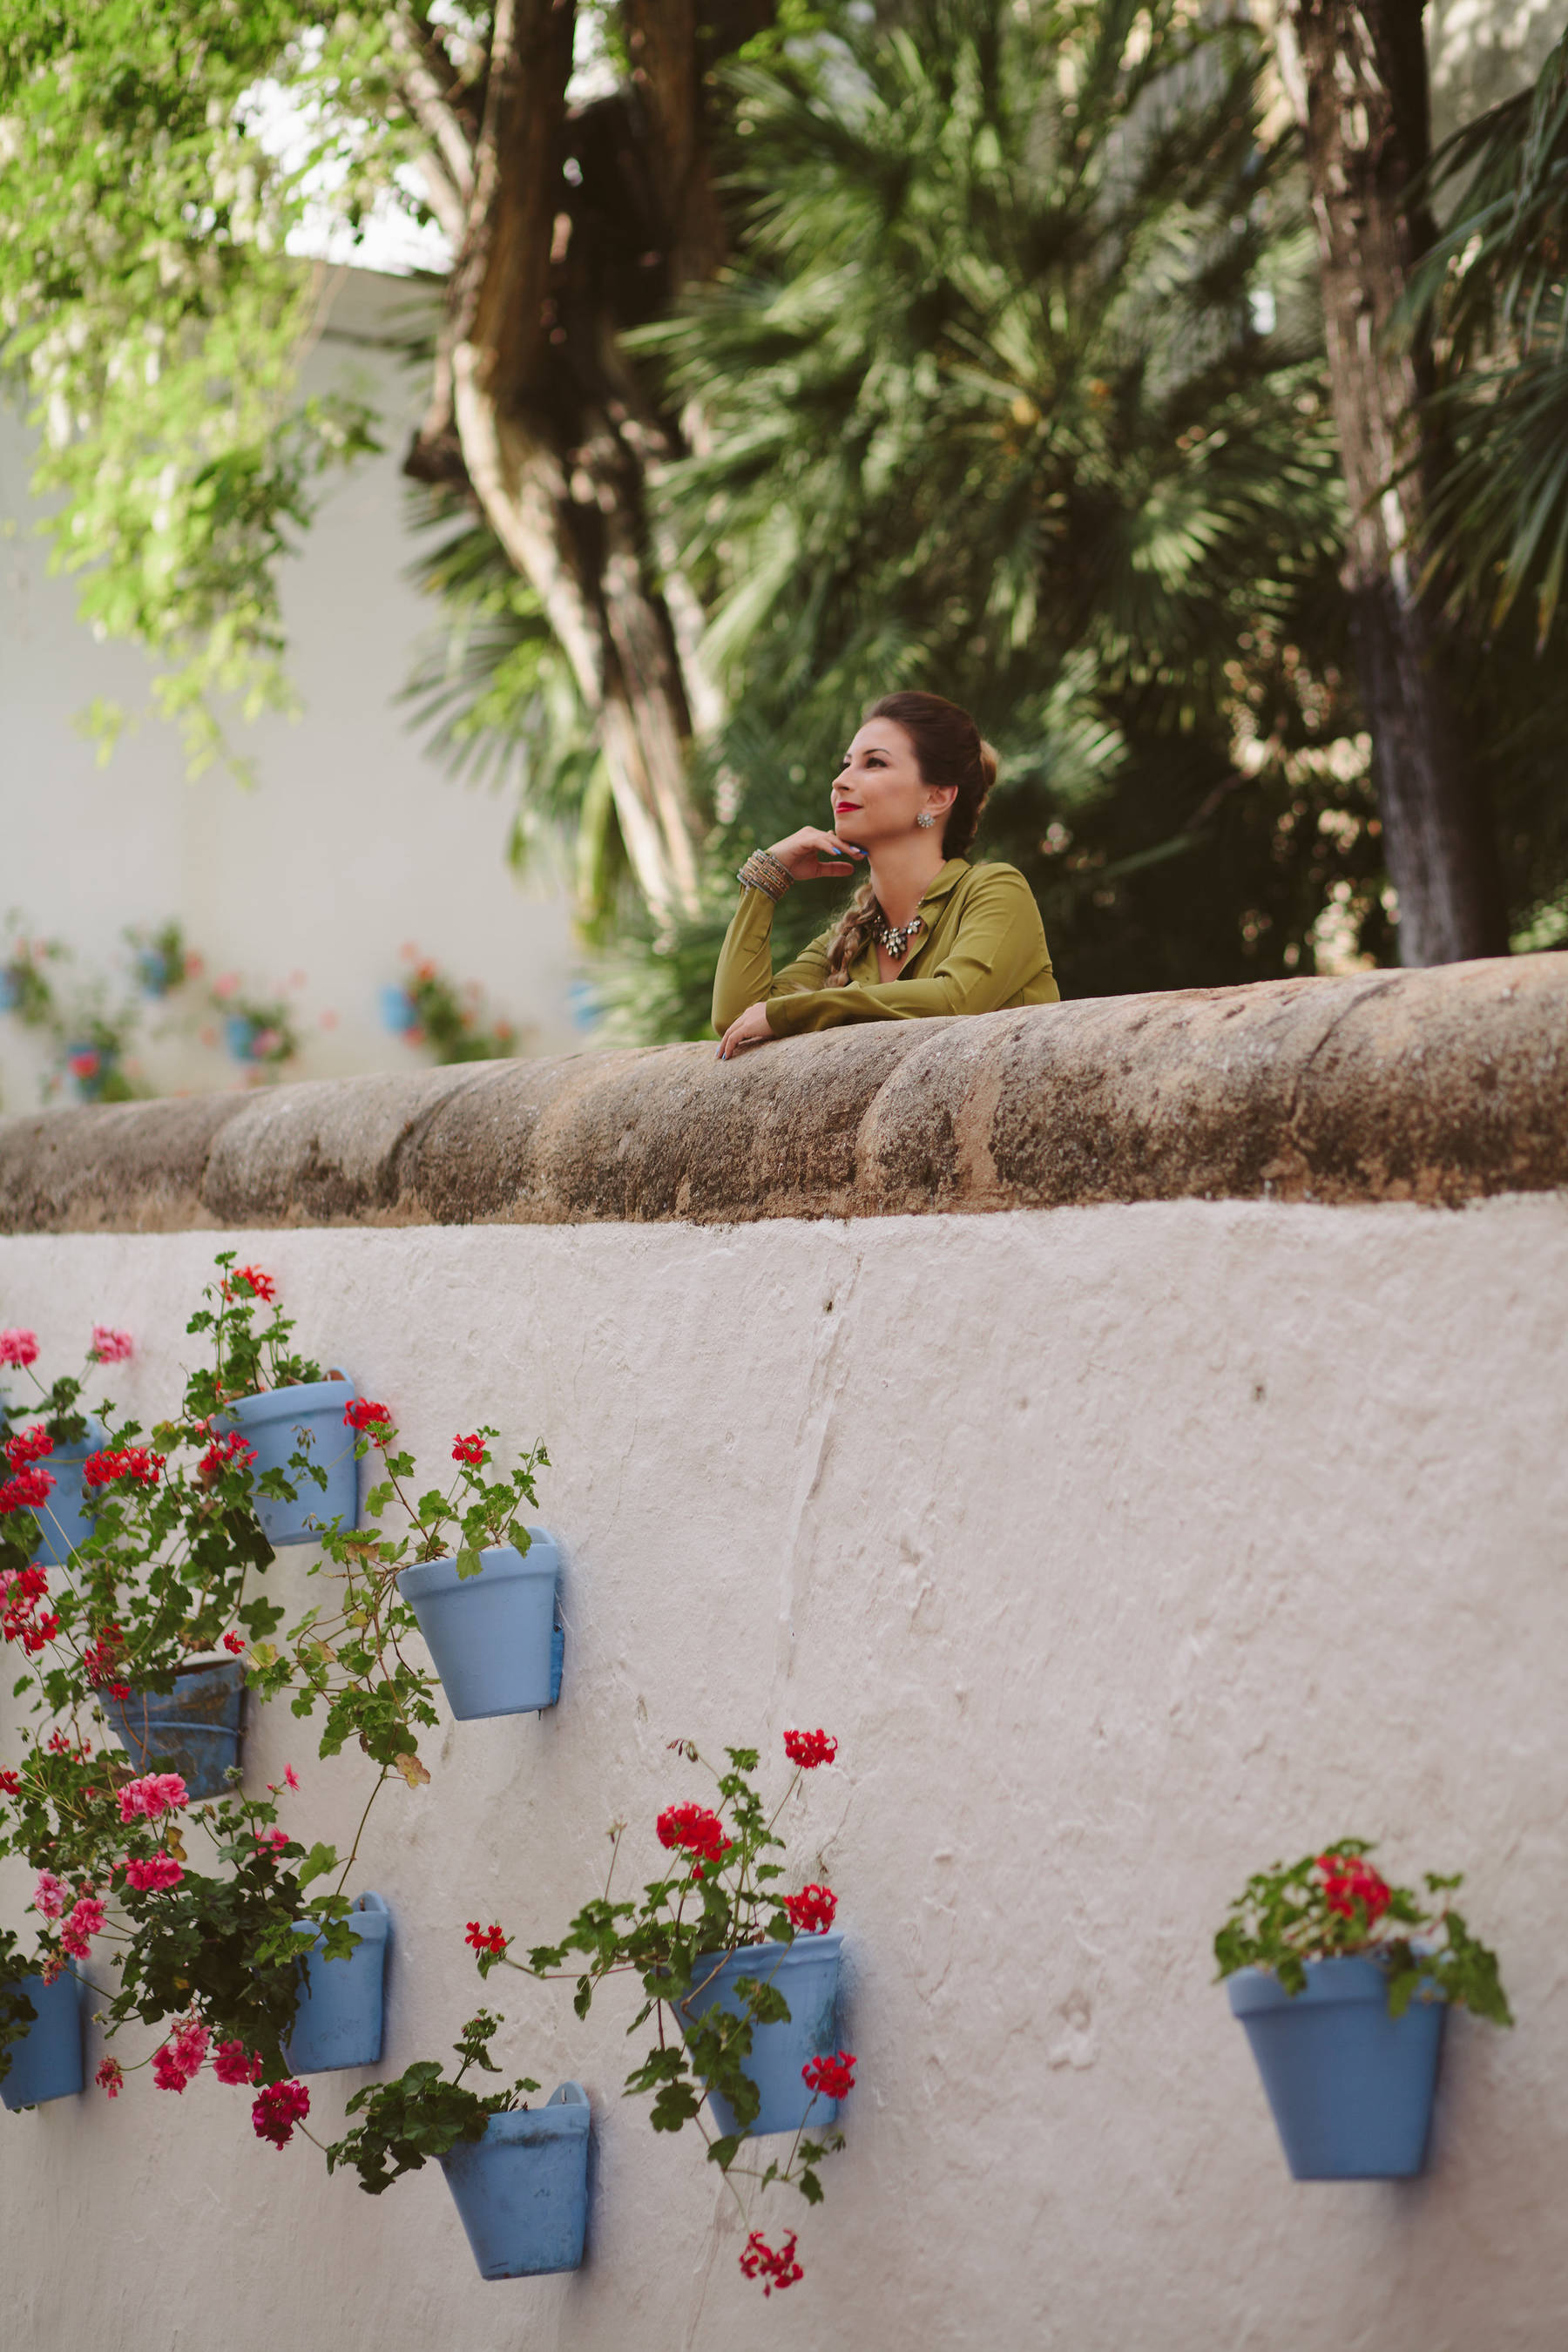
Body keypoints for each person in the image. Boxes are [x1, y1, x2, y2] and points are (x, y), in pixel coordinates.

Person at [713, 691, 1058, 1058]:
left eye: (874, 763)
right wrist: (767, 877)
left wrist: (799, 1010)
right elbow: (738, 1020)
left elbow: (956, 1000)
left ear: (936, 797)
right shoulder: (849, 940)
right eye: (846, 764)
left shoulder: (996, 890)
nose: (840, 781)